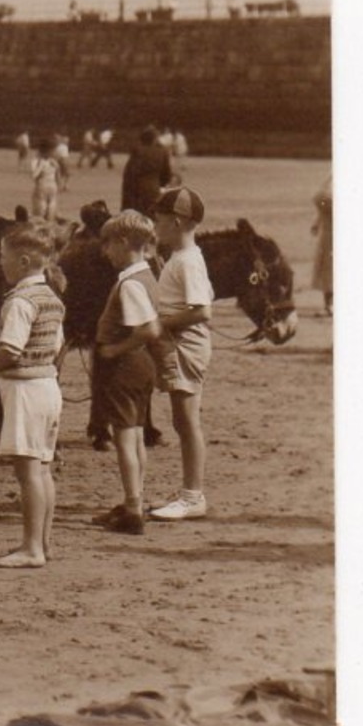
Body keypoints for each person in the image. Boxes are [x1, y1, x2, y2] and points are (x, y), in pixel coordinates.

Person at [0, 221, 66, 568]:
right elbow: (56, 345)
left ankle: (31, 549)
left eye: (4, 257)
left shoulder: (20, 301)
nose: (0, 263)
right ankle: (43, 542)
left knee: (27, 471)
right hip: (48, 386)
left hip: (26, 390)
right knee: (42, 469)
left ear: (24, 261)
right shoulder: (51, 298)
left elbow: (11, 349)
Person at [90, 210, 163, 535]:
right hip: (141, 366)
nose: (105, 252)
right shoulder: (147, 275)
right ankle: (134, 497)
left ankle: (133, 507)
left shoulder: (130, 283)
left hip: (124, 366)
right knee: (134, 435)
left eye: (108, 245)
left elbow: (148, 329)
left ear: (123, 243)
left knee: (124, 437)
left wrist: (113, 350)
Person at [149, 187, 214, 521]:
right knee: (182, 420)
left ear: (176, 222)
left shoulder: (188, 261)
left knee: (187, 421)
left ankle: (192, 497)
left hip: (185, 346)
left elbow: (202, 311)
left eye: (158, 219)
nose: (154, 225)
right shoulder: (181, 256)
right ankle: (190, 491)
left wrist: (160, 323)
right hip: (180, 343)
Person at [120, 126, 174, 214]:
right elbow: (166, 173)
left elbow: (129, 174)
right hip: (154, 189)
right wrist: (161, 184)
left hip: (136, 191)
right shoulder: (162, 152)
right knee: (151, 217)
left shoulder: (137, 151)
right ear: (154, 139)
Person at [312, 174, 332, 316]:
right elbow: (322, 201)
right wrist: (317, 222)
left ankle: (330, 305)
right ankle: (329, 304)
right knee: (328, 268)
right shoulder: (332, 178)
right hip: (328, 234)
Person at [29, 136, 60, 221]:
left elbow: (34, 176)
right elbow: (58, 177)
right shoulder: (53, 162)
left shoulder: (37, 161)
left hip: (42, 185)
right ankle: (49, 224)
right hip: (52, 185)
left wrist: (41, 167)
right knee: (51, 206)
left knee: (40, 211)